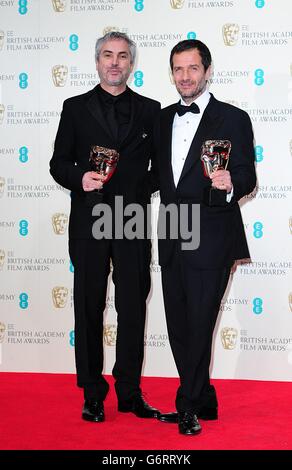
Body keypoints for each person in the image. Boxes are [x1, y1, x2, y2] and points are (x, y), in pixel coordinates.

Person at [50, 31, 160, 422]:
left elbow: (160, 169)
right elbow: (58, 162)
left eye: (123, 56)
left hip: (131, 219)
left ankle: (129, 391)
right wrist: (80, 178)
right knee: (88, 307)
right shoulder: (74, 107)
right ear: (97, 62)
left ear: (132, 63)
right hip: (90, 218)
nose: (115, 62)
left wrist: (136, 192)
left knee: (132, 308)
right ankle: (92, 393)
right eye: (108, 55)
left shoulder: (151, 109)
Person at [156, 39, 256, 435]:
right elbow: (157, 175)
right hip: (172, 227)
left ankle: (187, 403)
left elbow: (249, 175)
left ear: (208, 70)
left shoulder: (233, 117)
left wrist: (232, 181)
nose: (185, 76)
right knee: (179, 323)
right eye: (178, 69)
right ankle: (203, 399)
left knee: (199, 321)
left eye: (192, 68)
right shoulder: (162, 119)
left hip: (212, 231)